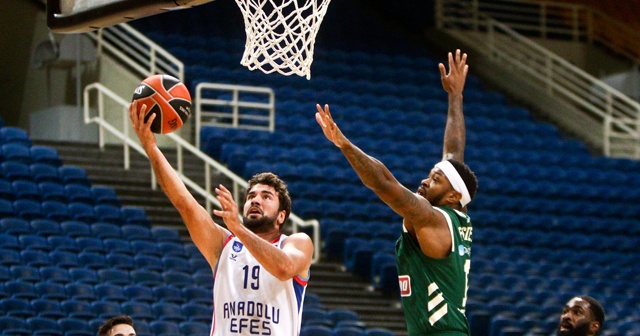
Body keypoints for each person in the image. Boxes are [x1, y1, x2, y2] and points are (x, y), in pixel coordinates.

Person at [315, 49, 478, 335]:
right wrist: (455, 96)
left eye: (435, 180)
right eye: (429, 175)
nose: (425, 181)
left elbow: (385, 184)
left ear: (452, 195)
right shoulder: (456, 210)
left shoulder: (432, 219)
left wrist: (345, 145)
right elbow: (454, 152)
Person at [129, 102, 314, 336]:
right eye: (251, 196)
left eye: (266, 196)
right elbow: (185, 203)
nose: (255, 200)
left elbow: (284, 268)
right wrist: (151, 147)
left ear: (281, 216)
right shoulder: (224, 244)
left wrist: (237, 227)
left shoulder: (297, 242)